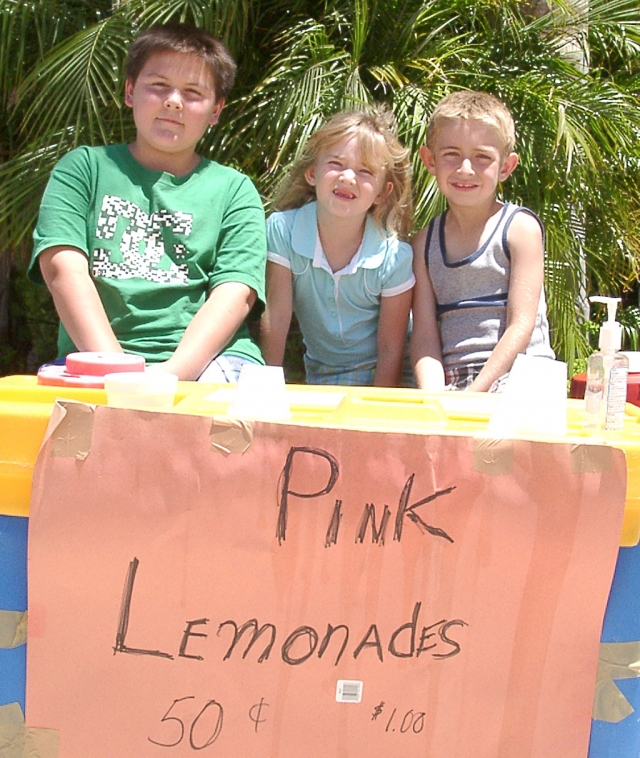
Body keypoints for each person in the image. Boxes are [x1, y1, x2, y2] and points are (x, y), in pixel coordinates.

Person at [29, 23, 266, 382]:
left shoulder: (235, 190)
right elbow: (63, 269)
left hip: (213, 365)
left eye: (193, 93)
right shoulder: (83, 169)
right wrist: (117, 372)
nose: (173, 101)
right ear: (129, 91)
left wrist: (169, 377)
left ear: (216, 110)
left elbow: (235, 294)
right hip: (95, 359)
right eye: (158, 86)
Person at [410, 90, 554, 392]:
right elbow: (424, 337)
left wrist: (474, 394)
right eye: (451, 154)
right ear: (429, 160)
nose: (465, 169)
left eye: (482, 157)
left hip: (522, 374)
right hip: (454, 381)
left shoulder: (520, 230)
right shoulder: (423, 244)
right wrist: (434, 398)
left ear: (506, 167)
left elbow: (522, 326)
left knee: (493, 439)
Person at [260, 107, 415, 386]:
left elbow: (392, 348)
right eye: (336, 164)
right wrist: (266, 388)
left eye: (365, 171)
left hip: (389, 374)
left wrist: (378, 411)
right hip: (322, 371)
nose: (348, 178)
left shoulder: (393, 257)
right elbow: (277, 316)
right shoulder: (283, 230)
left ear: (382, 192)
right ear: (311, 173)